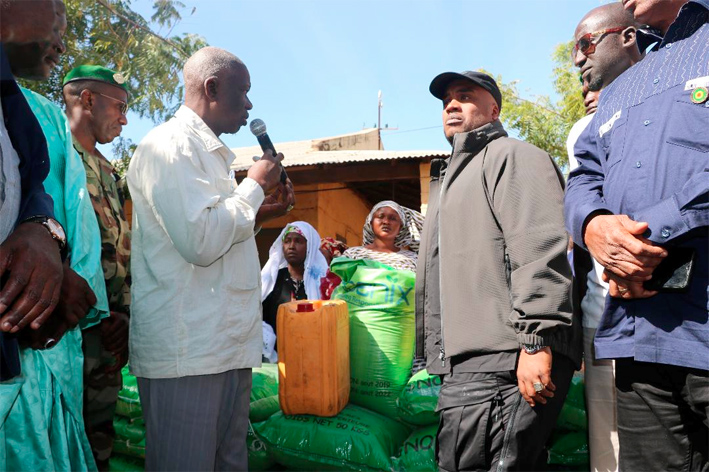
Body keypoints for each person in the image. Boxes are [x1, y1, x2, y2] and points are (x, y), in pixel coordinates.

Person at [127, 46, 292, 471]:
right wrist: (253, 187)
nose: (250, 104)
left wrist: (256, 211)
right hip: (188, 355)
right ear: (212, 87)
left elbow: (216, 230)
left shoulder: (208, 153)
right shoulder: (169, 145)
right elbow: (200, 241)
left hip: (221, 348)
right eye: (244, 91)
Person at [565, 0, 709, 470]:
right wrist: (595, 227)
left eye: (586, 45)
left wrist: (641, 239)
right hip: (638, 336)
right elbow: (583, 177)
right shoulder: (623, 88)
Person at [416, 70, 581, 471]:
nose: (451, 105)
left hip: (508, 357)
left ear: (494, 108)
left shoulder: (511, 155)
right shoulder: (453, 177)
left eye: (465, 96)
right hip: (472, 364)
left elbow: (540, 248)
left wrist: (535, 341)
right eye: (446, 101)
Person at [1, 1, 110, 469]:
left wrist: (49, 246)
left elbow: (54, 206)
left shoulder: (27, 112)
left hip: (42, 328)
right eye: (59, 20)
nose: (62, 42)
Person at [567, 5, 642, 471]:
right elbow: (577, 223)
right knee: (610, 448)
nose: (579, 62)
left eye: (586, 46)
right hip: (605, 315)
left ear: (629, 38)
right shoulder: (584, 133)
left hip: (681, 314)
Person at [62, 64, 132, 471]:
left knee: (98, 442)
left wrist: (122, 313)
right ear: (87, 100)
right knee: (59, 436)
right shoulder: (53, 154)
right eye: (119, 107)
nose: (124, 119)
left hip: (107, 333)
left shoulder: (109, 171)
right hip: (65, 329)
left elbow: (120, 248)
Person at [0, 0, 65, 382]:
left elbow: (29, 190)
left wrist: (40, 228)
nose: (61, 44)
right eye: (58, 21)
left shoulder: (17, 117)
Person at [261, 221, 328, 351]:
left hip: (313, 353)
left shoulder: (322, 281)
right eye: (287, 241)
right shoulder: (273, 280)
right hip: (275, 357)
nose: (291, 246)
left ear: (309, 247)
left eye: (298, 241)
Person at [342, 200, 422, 272]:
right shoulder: (352, 255)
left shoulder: (413, 259)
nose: (386, 222)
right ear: (371, 223)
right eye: (380, 217)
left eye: (393, 218)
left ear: (401, 227)